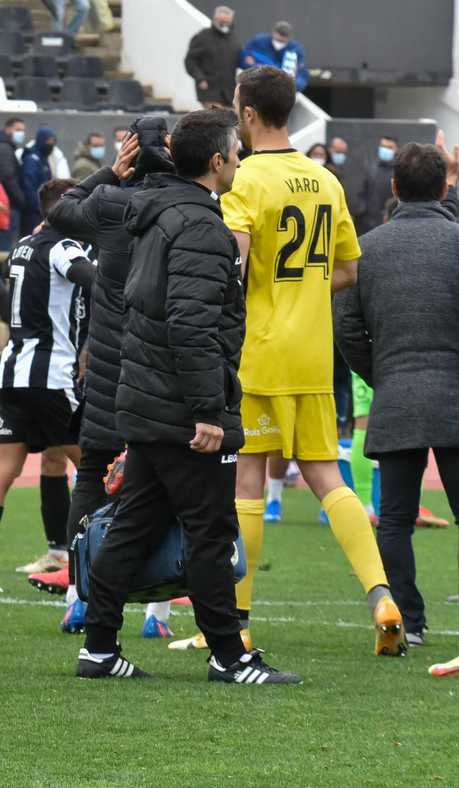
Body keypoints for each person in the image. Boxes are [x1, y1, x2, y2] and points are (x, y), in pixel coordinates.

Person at [75, 106, 302, 685]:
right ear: (218, 160)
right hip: (182, 406)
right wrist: (209, 411)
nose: (242, 159)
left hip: (149, 397)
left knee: (134, 525)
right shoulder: (201, 225)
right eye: (236, 149)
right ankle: (230, 656)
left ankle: (99, 648)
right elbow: (191, 324)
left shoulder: (161, 212)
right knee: (210, 529)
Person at [216, 64, 402, 657]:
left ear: (246, 114)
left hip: (261, 352)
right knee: (325, 476)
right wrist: (300, 294)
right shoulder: (325, 179)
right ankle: (380, 596)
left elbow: (231, 269)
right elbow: (348, 269)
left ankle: (236, 622)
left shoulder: (244, 181)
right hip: (314, 355)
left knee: (247, 479)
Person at [41, 118, 179, 638]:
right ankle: (156, 611)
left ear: (127, 153)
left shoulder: (110, 205)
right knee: (168, 478)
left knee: (94, 475)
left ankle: (79, 596)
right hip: (156, 362)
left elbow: (59, 211)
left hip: (105, 361)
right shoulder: (182, 206)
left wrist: (106, 173)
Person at [335, 139, 459, 655]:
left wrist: (381, 372)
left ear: (393, 189)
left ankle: (408, 619)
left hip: (396, 394)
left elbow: (345, 329)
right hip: (454, 396)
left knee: (395, 519)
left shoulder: (368, 249)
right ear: (446, 186)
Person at [0, 177, 92, 594]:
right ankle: (80, 575)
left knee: (3, 470)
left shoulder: (22, 244)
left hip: (14, 372)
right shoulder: (63, 245)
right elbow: (91, 278)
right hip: (53, 373)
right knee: (98, 469)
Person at [184, 5, 240, 109]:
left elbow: (240, 59)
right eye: (221, 21)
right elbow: (190, 60)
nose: (224, 25)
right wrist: (200, 78)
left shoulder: (234, 39)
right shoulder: (203, 36)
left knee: (230, 122)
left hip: (228, 93)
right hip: (209, 91)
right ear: (215, 20)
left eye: (227, 22)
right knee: (216, 119)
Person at [239, 21, 307, 90]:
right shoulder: (259, 41)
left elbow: (301, 73)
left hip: (282, 88)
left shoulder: (295, 48)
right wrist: (255, 66)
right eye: (277, 40)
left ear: (289, 38)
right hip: (260, 85)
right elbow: (244, 59)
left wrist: (293, 85)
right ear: (273, 33)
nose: (279, 43)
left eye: (282, 41)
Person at [18, 126, 59, 236]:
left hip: (42, 210)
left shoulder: (43, 159)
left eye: (53, 142)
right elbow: (29, 185)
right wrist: (38, 206)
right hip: (33, 212)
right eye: (48, 141)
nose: (50, 145)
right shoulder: (32, 160)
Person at [355, 136, 398, 236]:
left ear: (396, 150)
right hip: (368, 226)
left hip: (390, 226)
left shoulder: (398, 173)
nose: (386, 150)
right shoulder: (371, 172)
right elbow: (362, 195)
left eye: (389, 147)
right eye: (383, 146)